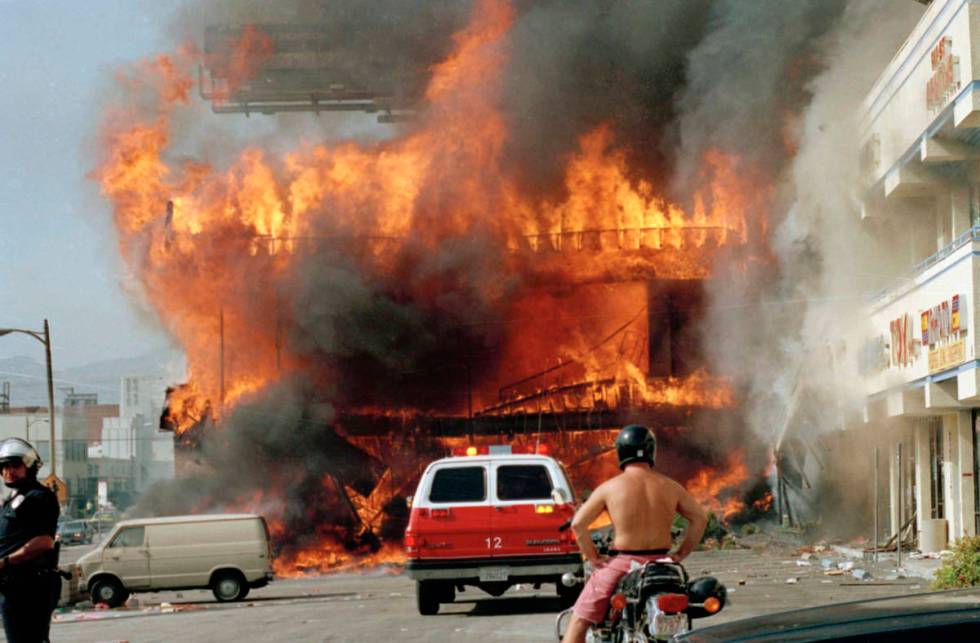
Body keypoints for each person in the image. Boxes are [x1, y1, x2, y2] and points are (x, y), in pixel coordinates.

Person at [562, 425, 708, 643]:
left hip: (623, 563)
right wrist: (680, 554)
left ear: (621, 451)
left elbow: (578, 525)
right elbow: (700, 518)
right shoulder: (671, 486)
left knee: (579, 620)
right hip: (663, 565)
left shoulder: (609, 487)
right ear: (652, 451)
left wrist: (594, 557)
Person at [0, 438, 61, 643]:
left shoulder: (39, 497)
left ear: (29, 466)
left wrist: (5, 562)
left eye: (15, 465)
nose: (9, 471)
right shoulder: (13, 499)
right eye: (4, 466)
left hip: (31, 587)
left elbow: (44, 542)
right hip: (12, 586)